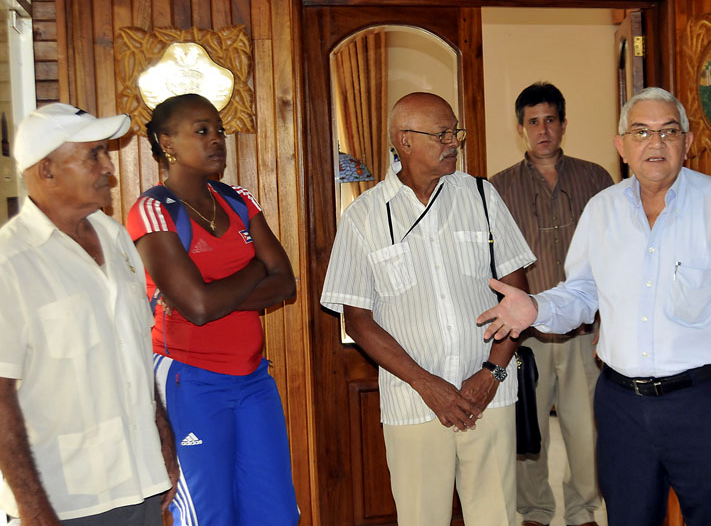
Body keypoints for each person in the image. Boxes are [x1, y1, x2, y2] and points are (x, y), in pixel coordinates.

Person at [477, 87, 711, 526]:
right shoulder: (603, 210)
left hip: (708, 407)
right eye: (641, 132)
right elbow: (582, 294)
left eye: (667, 131)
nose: (655, 143)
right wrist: (536, 308)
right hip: (622, 409)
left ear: (687, 142)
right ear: (622, 146)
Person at [321, 92, 535, 526]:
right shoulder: (364, 217)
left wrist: (491, 372)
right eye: (441, 134)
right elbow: (358, 321)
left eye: (455, 131)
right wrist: (427, 384)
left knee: (497, 518)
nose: (453, 141)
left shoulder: (481, 196)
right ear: (404, 140)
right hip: (414, 402)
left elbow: (517, 296)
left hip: (489, 395)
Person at [125, 93, 299, 525]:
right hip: (189, 381)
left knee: (275, 512)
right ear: (167, 142)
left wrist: (216, 294)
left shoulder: (237, 199)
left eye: (219, 130)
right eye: (200, 131)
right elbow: (199, 308)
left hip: (253, 379)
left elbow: (287, 283)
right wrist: (257, 267)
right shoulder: (153, 211)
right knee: (210, 514)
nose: (216, 139)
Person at [0, 103, 178, 524]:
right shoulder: (11, 261)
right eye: (94, 154)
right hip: (67, 500)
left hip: (141, 481)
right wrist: (32, 506)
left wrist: (164, 444)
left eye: (105, 153)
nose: (108, 167)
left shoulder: (117, 239)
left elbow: (133, 355)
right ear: (46, 170)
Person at [490, 82, 612, 526]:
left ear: (563, 124)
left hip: (585, 334)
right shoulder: (497, 189)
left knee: (587, 433)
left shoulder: (596, 178)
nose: (543, 130)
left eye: (550, 120)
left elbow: (613, 252)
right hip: (527, 337)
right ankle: (534, 511)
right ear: (521, 128)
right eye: (533, 122)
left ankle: (583, 511)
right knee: (529, 431)